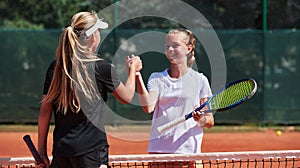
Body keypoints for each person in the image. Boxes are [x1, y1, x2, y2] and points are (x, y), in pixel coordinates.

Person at [37, 11, 142, 168]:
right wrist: (133, 70)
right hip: (92, 152)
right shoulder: (102, 67)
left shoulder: (57, 66)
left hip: (61, 151)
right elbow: (126, 97)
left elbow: (45, 111)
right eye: (99, 31)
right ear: (93, 36)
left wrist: (41, 151)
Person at [134, 28, 214, 156]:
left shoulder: (200, 80)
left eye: (175, 46)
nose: (170, 50)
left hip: (189, 152)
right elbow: (148, 107)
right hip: (159, 152)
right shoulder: (157, 78)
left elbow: (209, 122)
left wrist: (201, 118)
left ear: (188, 48)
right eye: (167, 46)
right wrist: (137, 76)